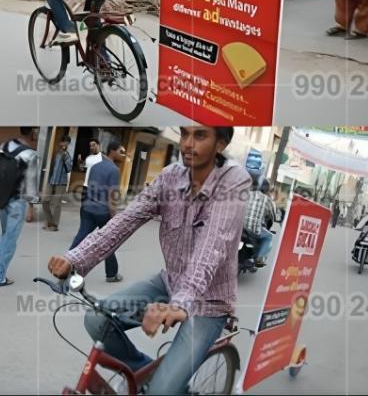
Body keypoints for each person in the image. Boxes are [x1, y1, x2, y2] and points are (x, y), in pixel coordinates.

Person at [47, 127, 249, 396]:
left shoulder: (234, 182)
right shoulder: (170, 177)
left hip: (209, 303)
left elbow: (210, 250)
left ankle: (164, 385)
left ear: (220, 144)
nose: (187, 144)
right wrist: (74, 259)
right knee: (97, 319)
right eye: (185, 134)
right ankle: (150, 373)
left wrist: (179, 304)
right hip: (170, 282)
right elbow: (124, 222)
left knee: (163, 391)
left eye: (200, 136)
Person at [0, 127, 40, 286]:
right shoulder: (31, 155)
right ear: (33, 132)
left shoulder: (6, 144)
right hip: (17, 202)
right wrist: (32, 206)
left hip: (2, 197)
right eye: (36, 131)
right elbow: (30, 186)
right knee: (11, 239)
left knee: (4, 234)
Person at [70, 139, 125, 283]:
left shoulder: (95, 166)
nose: (122, 155)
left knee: (81, 237)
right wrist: (113, 215)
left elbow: (88, 187)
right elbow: (112, 195)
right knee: (108, 243)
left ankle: (66, 263)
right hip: (103, 212)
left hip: (88, 208)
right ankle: (111, 274)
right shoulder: (114, 170)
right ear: (113, 151)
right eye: (121, 151)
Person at [244, 175, 276, 267]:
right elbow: (273, 216)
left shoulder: (248, 194)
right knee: (269, 237)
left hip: (241, 226)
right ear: (267, 190)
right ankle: (259, 258)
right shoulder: (268, 200)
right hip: (254, 230)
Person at [44, 135, 73, 231]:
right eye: (62, 141)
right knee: (45, 200)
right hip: (51, 181)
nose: (63, 144)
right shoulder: (56, 153)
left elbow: (69, 169)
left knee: (56, 204)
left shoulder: (67, 155)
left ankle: (54, 225)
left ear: (68, 144)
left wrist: (64, 156)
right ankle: (49, 222)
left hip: (61, 183)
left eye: (66, 142)